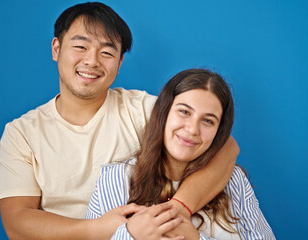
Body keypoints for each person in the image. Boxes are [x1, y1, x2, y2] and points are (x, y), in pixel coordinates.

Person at [0, 2, 239, 240]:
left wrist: (177, 210)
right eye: (80, 46)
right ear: (56, 49)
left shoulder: (141, 109)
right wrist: (101, 229)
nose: (92, 61)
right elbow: (17, 223)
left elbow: (225, 147)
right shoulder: (22, 132)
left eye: (106, 52)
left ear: (120, 62)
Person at [86, 69, 275, 240]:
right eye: (184, 112)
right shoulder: (115, 178)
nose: (193, 129)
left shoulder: (234, 181)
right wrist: (131, 235)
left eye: (208, 121)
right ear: (164, 112)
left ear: (219, 131)